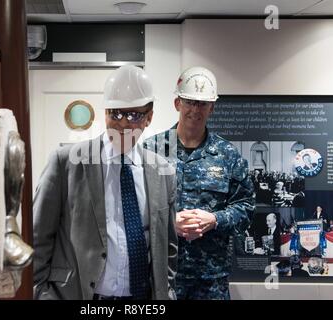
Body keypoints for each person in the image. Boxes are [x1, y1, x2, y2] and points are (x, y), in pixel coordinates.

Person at [33, 65, 178, 300]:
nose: (122, 124)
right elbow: (38, 238)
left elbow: (168, 247)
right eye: (115, 113)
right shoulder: (67, 163)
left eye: (133, 115)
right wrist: (39, 294)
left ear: (149, 117)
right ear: (105, 112)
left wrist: (167, 291)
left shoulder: (163, 173)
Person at [145, 66, 255, 300]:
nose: (195, 110)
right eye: (189, 102)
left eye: (202, 104)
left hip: (210, 278)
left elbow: (246, 208)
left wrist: (215, 220)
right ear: (177, 104)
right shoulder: (150, 150)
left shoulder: (228, 155)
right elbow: (132, 206)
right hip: (160, 273)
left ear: (212, 108)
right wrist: (167, 223)